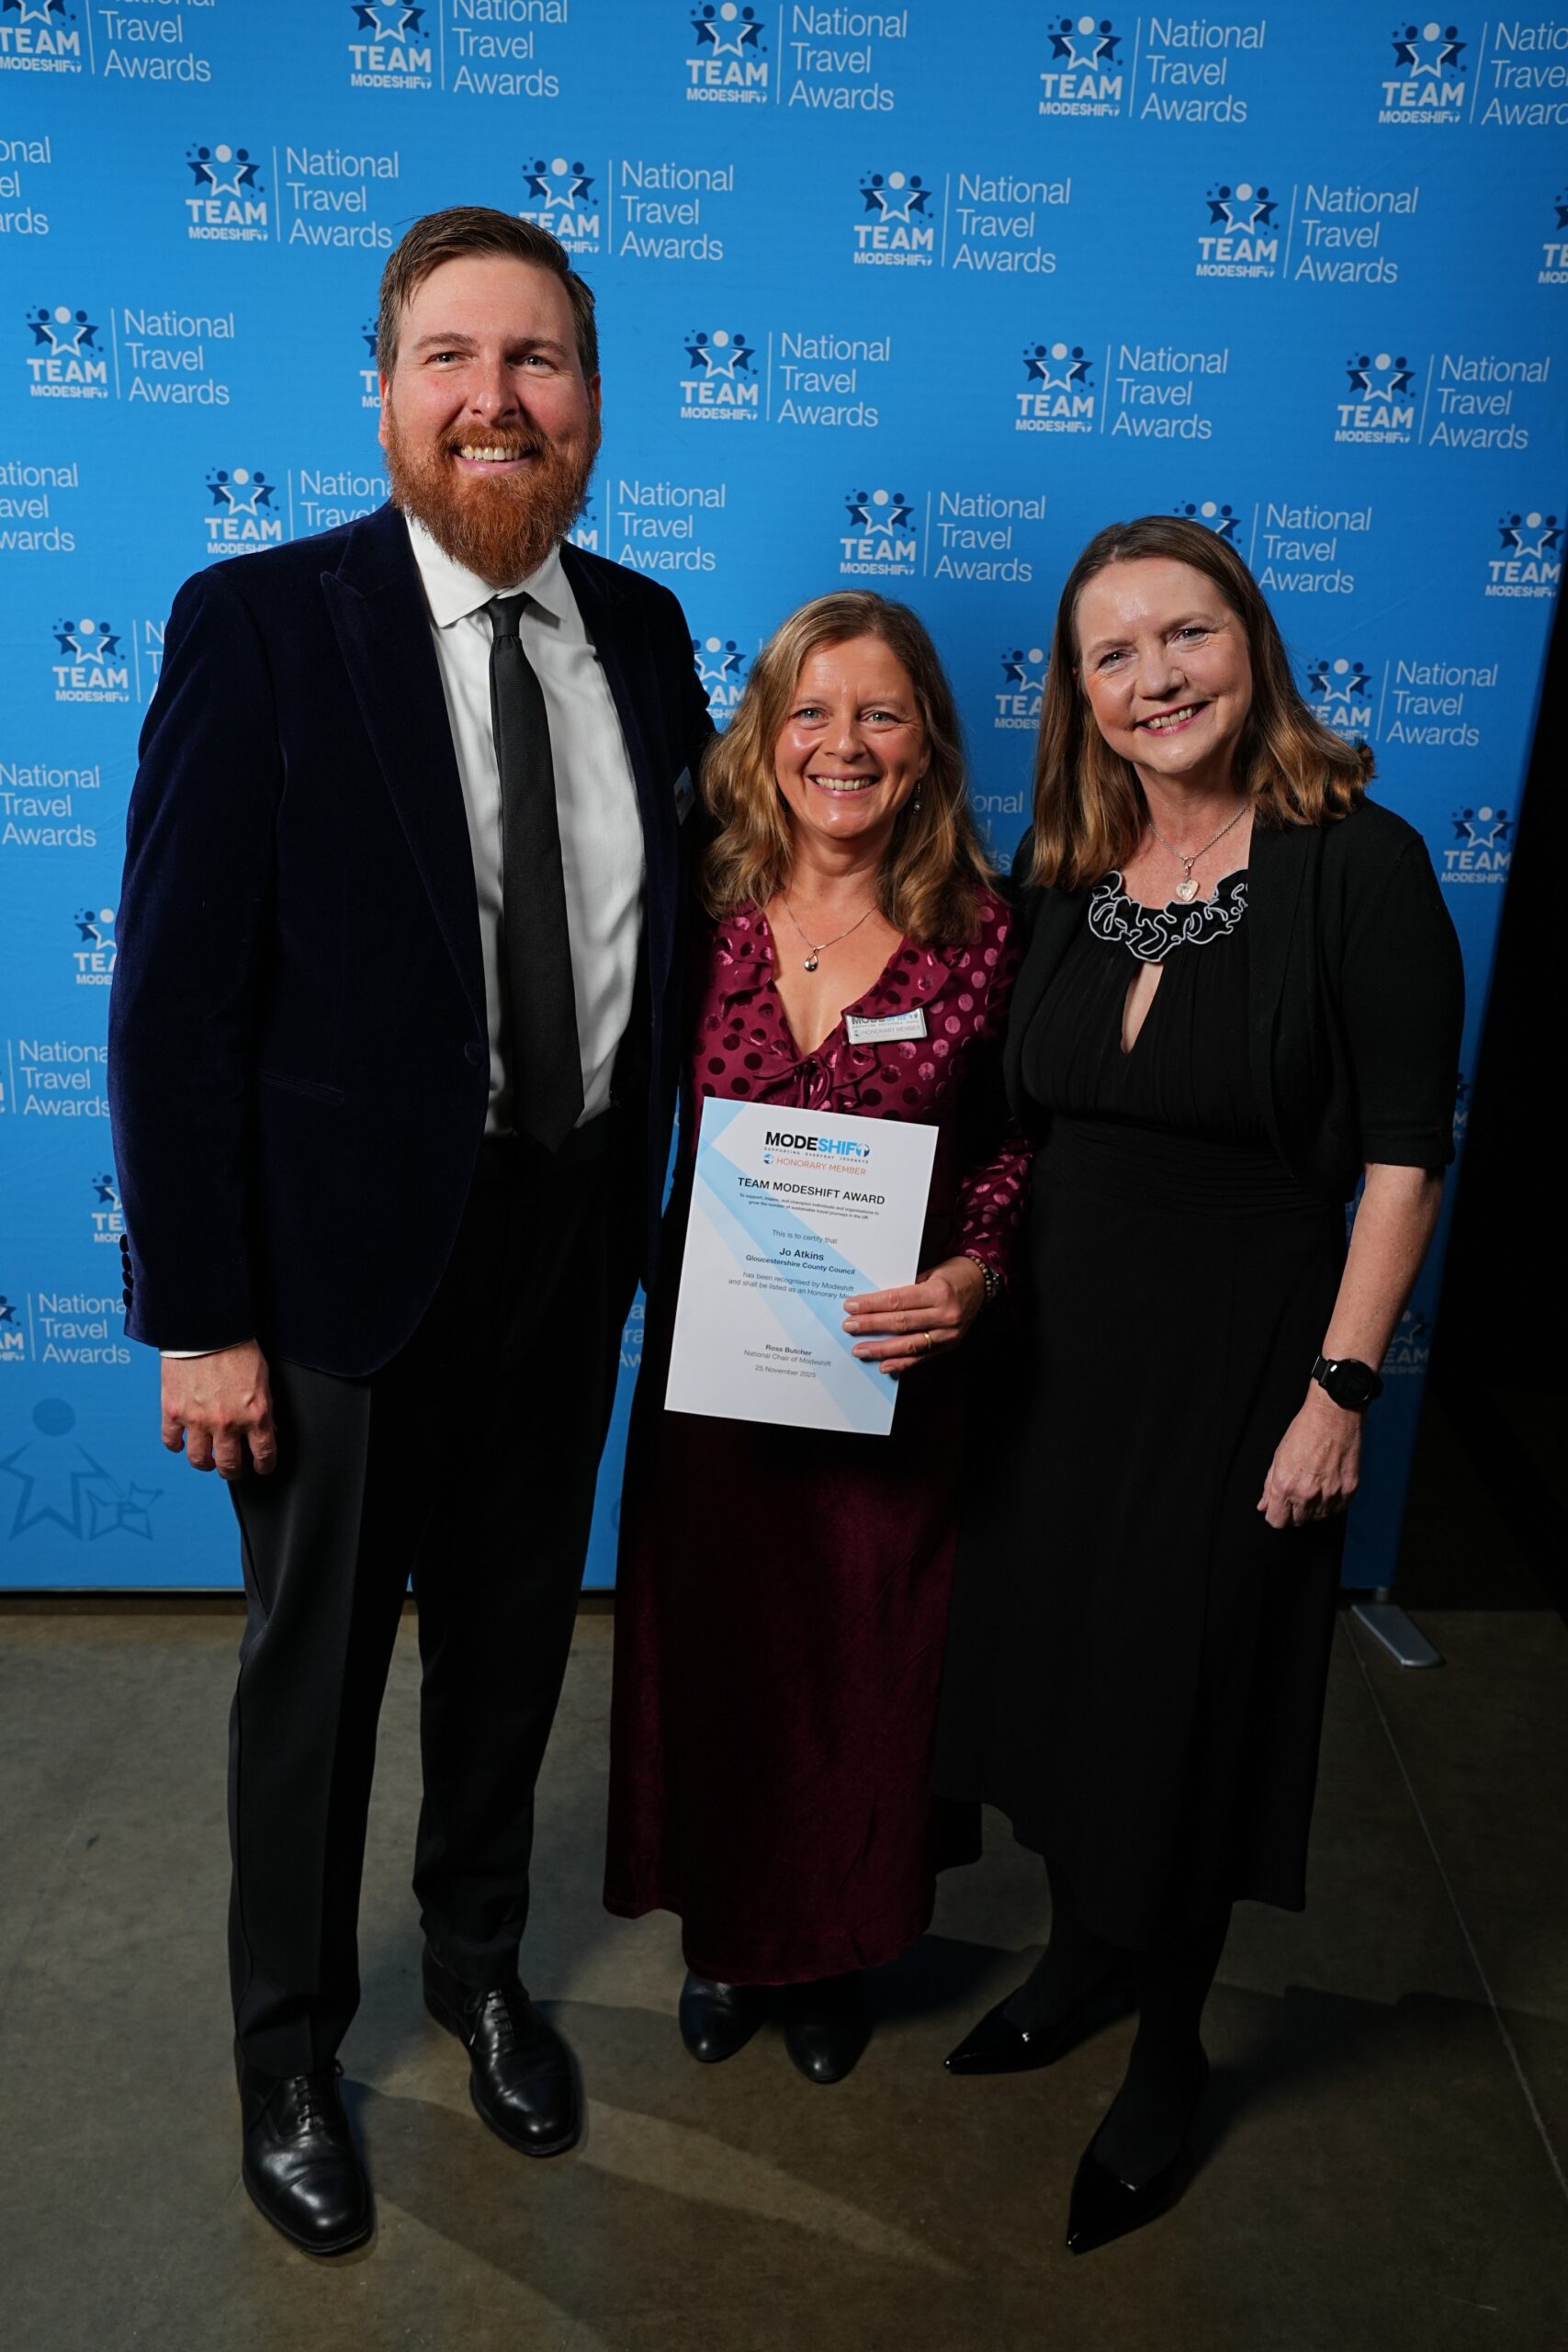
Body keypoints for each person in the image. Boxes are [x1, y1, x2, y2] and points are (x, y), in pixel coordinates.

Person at [107, 208, 712, 2256]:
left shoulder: (643, 630)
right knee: (315, 1679)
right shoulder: (259, 624)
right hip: (340, 1285)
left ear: (592, 402)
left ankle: (476, 1964)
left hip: (567, 1249)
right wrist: (200, 1314)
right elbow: (175, 1006)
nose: (492, 398)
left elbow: (672, 953)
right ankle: (286, 2044)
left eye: (534, 360)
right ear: (380, 389)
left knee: (515, 1648)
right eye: (449, 356)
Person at [934, 516, 1463, 2253]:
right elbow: (1009, 1125)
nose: (1156, 679)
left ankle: (1169, 2047)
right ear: (1078, 695)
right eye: (1115, 654)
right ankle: (1083, 1955)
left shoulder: (1359, 866)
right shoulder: (1064, 872)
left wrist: (1340, 1389)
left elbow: (1402, 1164)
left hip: (1248, 1361)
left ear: (1254, 644)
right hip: (1054, 1363)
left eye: (1188, 637)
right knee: (1069, 1675)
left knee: (1189, 1697)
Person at [604, 594, 1030, 2084]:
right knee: (716, 1656)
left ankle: (840, 1944)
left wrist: (975, 1276)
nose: (842, 745)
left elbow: (1015, 1146)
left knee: (862, 1668)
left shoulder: (983, 928)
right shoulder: (691, 905)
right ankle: (727, 1938)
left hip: (886, 1374)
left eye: (882, 714)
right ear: (764, 734)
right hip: (713, 1379)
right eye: (812, 711)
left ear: (926, 749)